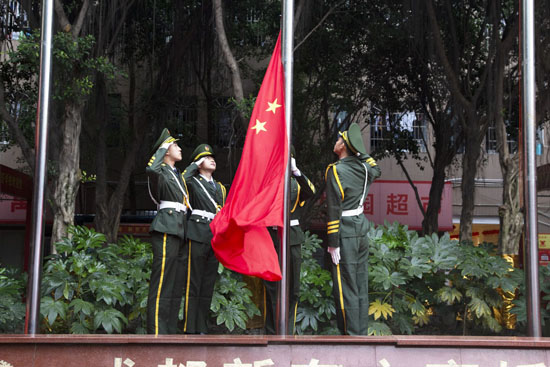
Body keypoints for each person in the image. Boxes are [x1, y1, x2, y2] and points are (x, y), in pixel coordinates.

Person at [325, 122, 381, 335]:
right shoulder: (365, 169)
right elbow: (377, 168)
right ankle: (361, 331)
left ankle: (351, 335)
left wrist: (332, 243)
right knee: (359, 282)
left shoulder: (335, 171)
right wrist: (361, 153)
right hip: (361, 229)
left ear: (344, 146)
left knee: (345, 284)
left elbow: (333, 208)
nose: (336, 142)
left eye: (339, 140)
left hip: (345, 232)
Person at [263, 147, 316, 334]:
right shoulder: (268, 179)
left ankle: (288, 331)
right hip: (272, 237)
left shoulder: (296, 181)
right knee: (272, 288)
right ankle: (271, 331)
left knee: (292, 288)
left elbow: (311, 192)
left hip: (292, 236)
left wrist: (296, 171)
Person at [146, 128, 189, 335]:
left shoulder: (177, 175)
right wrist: (163, 147)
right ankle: (156, 330)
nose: (179, 149)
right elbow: (151, 170)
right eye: (175, 145)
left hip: (180, 229)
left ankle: (170, 329)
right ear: (166, 150)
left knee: (175, 283)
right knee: (162, 280)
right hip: (166, 227)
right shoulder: (161, 171)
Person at [181, 144, 226, 334]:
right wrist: (193, 165)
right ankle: (189, 327)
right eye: (206, 158)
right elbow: (180, 180)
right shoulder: (192, 182)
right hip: (198, 232)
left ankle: (201, 326)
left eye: (212, 157)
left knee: (208, 284)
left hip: (214, 236)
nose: (212, 160)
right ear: (199, 163)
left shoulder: (220, 187)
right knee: (194, 282)